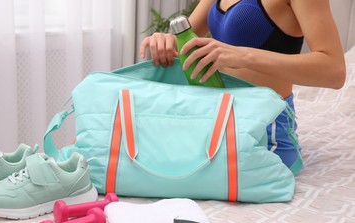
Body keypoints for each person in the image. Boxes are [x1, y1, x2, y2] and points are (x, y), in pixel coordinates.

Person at [140, 0, 346, 175]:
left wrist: (243, 56)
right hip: (217, 120)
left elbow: (334, 71)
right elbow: (183, 42)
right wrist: (165, 41)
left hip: (265, 130)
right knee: (143, 160)